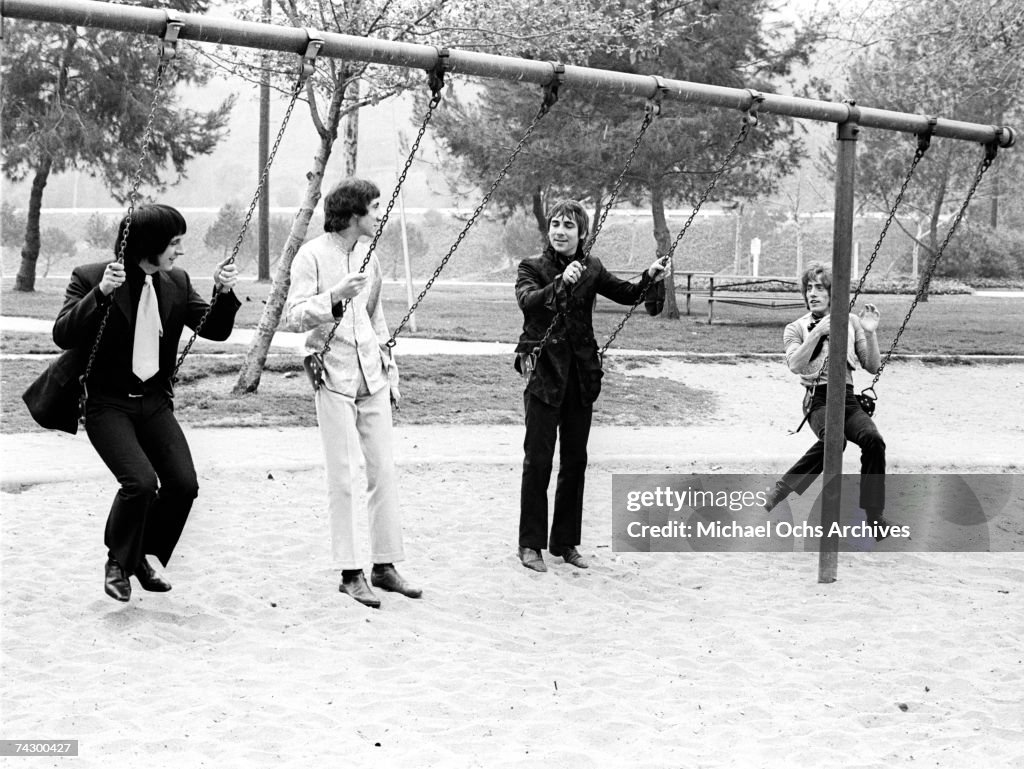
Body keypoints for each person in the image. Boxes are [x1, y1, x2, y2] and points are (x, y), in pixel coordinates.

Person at [53, 203, 241, 602]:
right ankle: (118, 563)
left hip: (154, 402)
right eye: (173, 243)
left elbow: (216, 330)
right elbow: (63, 334)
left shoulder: (176, 282)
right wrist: (101, 293)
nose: (179, 251)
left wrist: (223, 294)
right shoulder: (92, 277)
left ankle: (139, 554)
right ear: (149, 244)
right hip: (107, 403)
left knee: (183, 485)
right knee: (139, 483)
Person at [283, 178, 420, 609]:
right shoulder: (312, 255)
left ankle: (385, 566)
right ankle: (350, 572)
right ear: (354, 213)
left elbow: (377, 317)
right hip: (333, 375)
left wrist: (390, 372)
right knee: (342, 476)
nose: (379, 215)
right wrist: (334, 297)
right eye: (374, 208)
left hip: (372, 377)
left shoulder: (369, 255)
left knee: (383, 471)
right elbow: (294, 316)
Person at [514, 199, 667, 572]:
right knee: (538, 460)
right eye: (555, 224)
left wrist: (650, 277)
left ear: (582, 233)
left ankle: (564, 542)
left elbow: (627, 294)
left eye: (568, 226)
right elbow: (528, 302)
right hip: (545, 374)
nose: (560, 231)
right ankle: (530, 544)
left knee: (575, 461)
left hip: (580, 376)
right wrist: (557, 284)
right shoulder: (531, 267)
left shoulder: (592, 267)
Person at [763, 262, 892, 536]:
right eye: (809, 288)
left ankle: (874, 516)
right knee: (835, 440)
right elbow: (795, 364)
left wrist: (870, 332)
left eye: (820, 288)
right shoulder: (795, 327)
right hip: (818, 399)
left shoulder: (851, 322)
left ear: (833, 293)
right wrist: (818, 332)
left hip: (847, 398)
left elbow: (872, 366)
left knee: (874, 440)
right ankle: (782, 489)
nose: (812, 293)